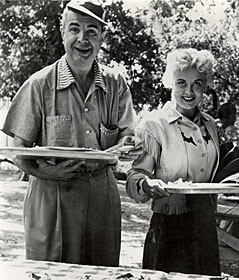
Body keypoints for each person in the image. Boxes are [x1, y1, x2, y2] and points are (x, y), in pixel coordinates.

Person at [1, 0, 141, 266]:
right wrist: (50, 172)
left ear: (102, 37)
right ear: (62, 31)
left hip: (101, 198)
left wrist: (125, 147)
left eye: (92, 32)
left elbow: (127, 137)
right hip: (52, 197)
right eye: (74, 29)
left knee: (102, 272)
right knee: (51, 272)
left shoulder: (116, 84)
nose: (82, 39)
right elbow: (19, 154)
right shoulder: (39, 85)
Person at [126, 48, 221, 276]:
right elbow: (134, 177)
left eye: (197, 84)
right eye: (181, 83)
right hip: (170, 226)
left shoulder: (210, 125)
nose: (189, 91)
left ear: (204, 87)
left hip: (205, 224)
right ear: (170, 83)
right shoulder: (153, 125)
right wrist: (147, 185)